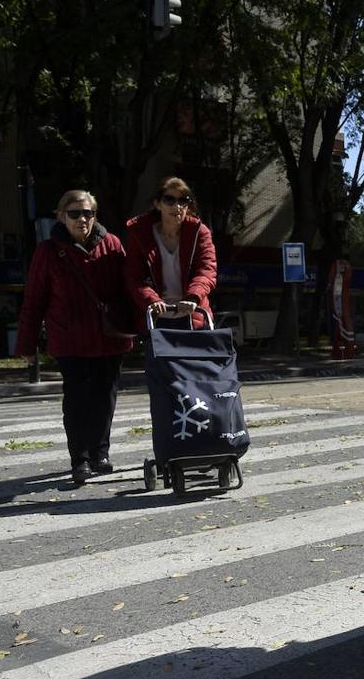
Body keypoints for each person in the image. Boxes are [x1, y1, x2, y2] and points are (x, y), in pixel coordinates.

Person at [15, 190, 134, 486]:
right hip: (70, 341)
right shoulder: (48, 251)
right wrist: (27, 344)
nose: (82, 219)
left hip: (109, 339)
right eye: (75, 213)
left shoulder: (112, 245)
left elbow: (129, 288)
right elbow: (33, 300)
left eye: (88, 213)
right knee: (78, 400)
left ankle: (100, 453)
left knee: (105, 398)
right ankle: (79, 459)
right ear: (60, 216)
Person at [123, 177, 217, 331]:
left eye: (183, 201)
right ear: (157, 204)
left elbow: (207, 270)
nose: (177, 206)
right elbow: (134, 276)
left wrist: (193, 297)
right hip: (156, 318)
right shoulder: (141, 233)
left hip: (193, 316)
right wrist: (151, 300)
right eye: (169, 200)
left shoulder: (200, 232)